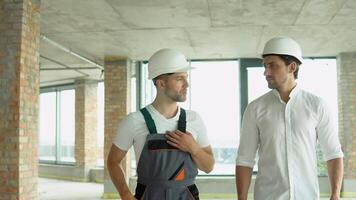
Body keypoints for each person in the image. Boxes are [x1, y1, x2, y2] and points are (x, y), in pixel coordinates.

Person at [235, 36, 344, 200]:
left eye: (272, 66)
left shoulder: (317, 105)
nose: (266, 72)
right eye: (265, 66)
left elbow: (333, 153)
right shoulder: (255, 108)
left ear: (292, 67)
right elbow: (245, 159)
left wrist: (335, 194)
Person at [107, 48, 214, 200]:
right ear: (161, 83)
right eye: (179, 79)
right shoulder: (134, 121)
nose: (187, 84)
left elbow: (208, 166)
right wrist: (125, 194)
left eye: (186, 77)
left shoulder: (194, 120)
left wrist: (193, 148)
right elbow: (113, 161)